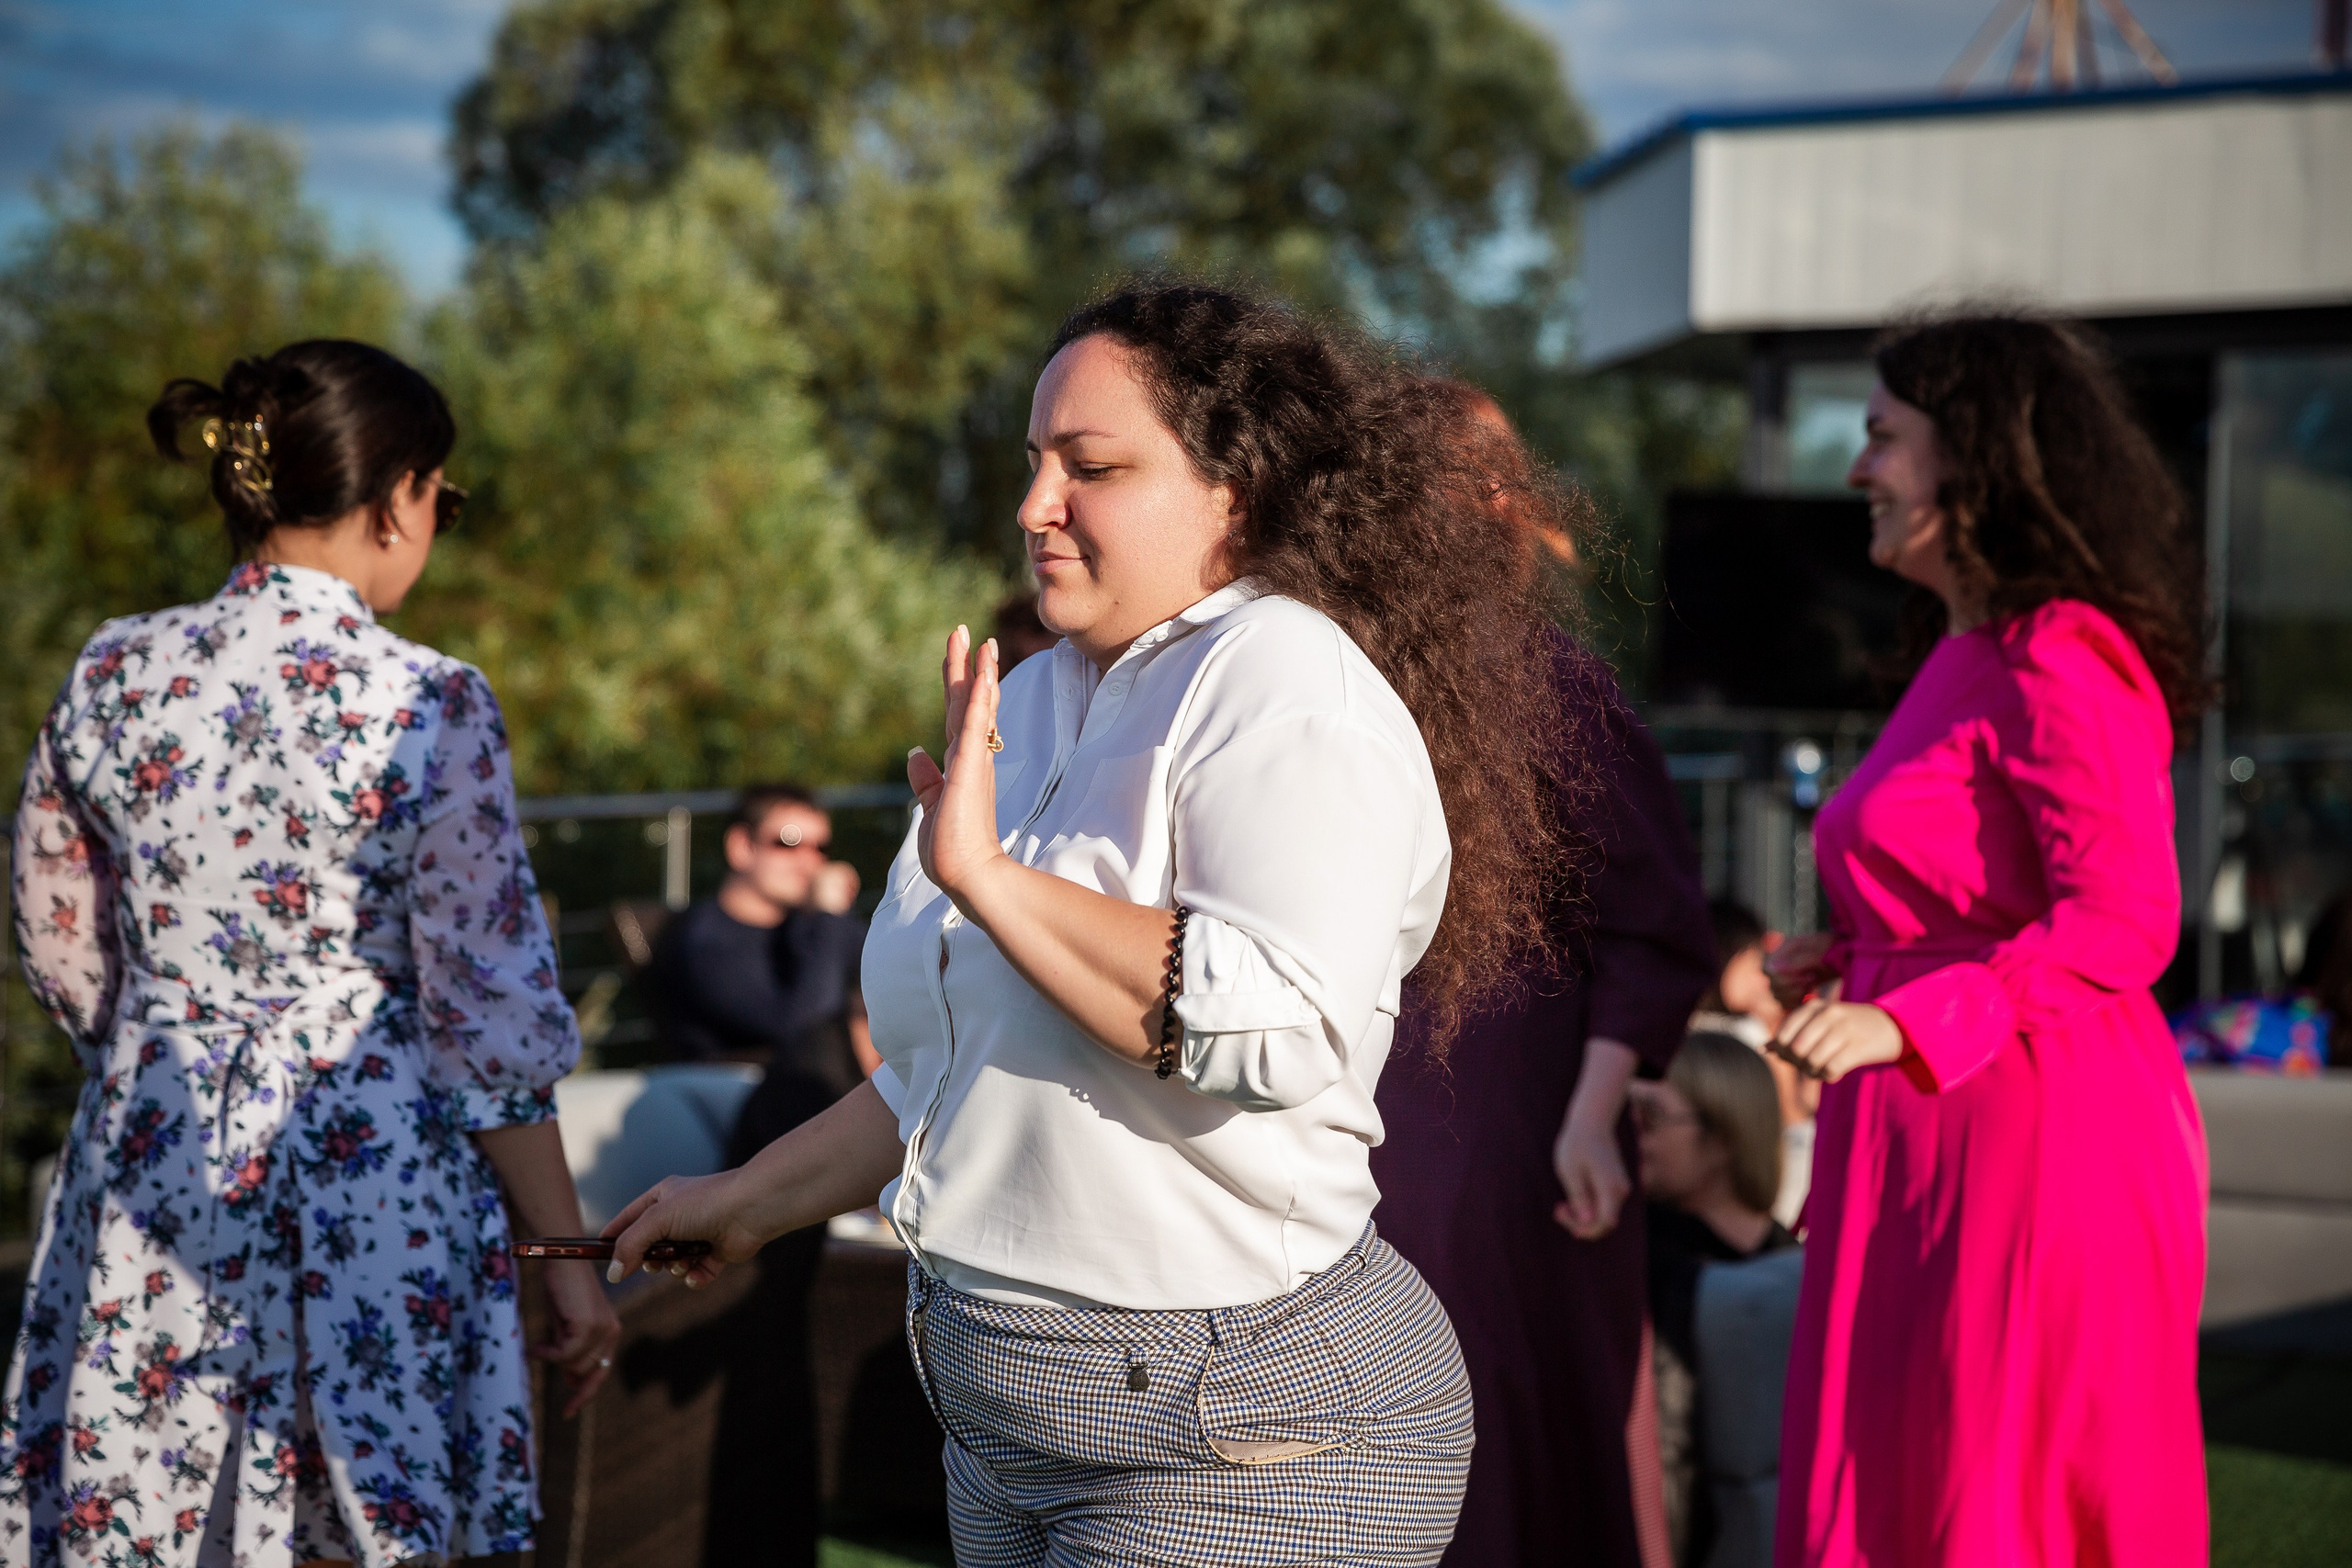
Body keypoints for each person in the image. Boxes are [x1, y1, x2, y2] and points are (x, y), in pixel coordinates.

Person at [600, 280, 1586, 1565]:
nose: (1034, 506)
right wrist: (748, 1199)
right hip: (1007, 1428)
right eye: (1033, 464)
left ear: (1237, 487)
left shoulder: (1286, 679)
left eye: (1092, 466)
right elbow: (954, 1068)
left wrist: (993, 880)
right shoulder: (1051, 690)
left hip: (1243, 1434)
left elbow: (1274, 1017)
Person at [5, 341, 616, 1565]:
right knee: (363, 1521)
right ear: (397, 496)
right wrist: (563, 1256)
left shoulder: (115, 670)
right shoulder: (431, 701)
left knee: (154, 1513)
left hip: (158, 1155)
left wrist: (170, 1045)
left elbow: (55, 934)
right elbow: (488, 1014)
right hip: (377, 1173)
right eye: (443, 494)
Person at [1765, 312, 2210, 1567]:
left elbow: (2126, 916)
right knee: (1913, 1476)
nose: (1857, 470)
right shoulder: (1964, 650)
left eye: (1881, 439)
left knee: (1994, 1485)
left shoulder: (2065, 650)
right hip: (1923, 1119)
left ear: (1978, 455)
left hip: (2031, 1127)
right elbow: (1971, 894)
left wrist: (1909, 1011)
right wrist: (1855, 967)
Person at [1371, 380, 1715, 1568]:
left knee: (1502, 1418)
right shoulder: (1319, 671)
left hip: (1511, 1117)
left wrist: (1587, 1112)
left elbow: (1650, 923)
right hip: (1355, 1093)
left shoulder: (1553, 682)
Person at [639, 783, 874, 1566]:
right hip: (736, 1122)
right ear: (740, 848)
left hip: (812, 1120)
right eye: (787, 843)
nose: (807, 860)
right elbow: (798, 1022)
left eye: (817, 844)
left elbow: (877, 1002)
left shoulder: (799, 935)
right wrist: (826, 917)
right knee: (816, 1055)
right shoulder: (704, 938)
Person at [1634, 1032, 1795, 1566]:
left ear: (1722, 1136)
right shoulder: (1637, 1254)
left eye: (1651, 1118)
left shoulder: (1796, 1267)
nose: (1635, 1138)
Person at [1690, 901, 1815, 1227]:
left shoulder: (1687, 1029)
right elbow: (1793, 1116)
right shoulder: (1747, 1033)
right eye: (1756, 962)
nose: (1764, 978)